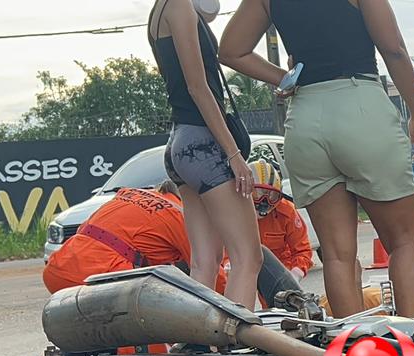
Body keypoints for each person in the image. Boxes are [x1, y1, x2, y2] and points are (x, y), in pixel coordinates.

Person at [219, 0, 414, 318]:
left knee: (336, 256)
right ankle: (411, 348)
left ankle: (352, 352)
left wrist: (284, 78)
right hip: (360, 105)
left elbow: (231, 50)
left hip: (305, 118)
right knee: (403, 244)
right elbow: (395, 49)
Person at [147, 0, 263, 309]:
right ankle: (232, 347)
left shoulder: (160, 12)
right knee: (248, 257)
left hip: (180, 142)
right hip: (203, 144)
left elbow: (210, 10)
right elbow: (199, 88)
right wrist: (234, 154)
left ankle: (198, 344)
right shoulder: (180, 8)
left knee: (205, 261)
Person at [42, 182, 215, 293]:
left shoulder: (128, 194)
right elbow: (209, 269)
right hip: (101, 280)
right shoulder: (180, 215)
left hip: (57, 270)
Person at [250, 160, 314, 279]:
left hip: (277, 272)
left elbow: (302, 250)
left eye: (271, 196)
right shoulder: (232, 211)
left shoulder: (286, 212)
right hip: (241, 270)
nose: (264, 202)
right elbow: (223, 251)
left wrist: (294, 275)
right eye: (257, 194)